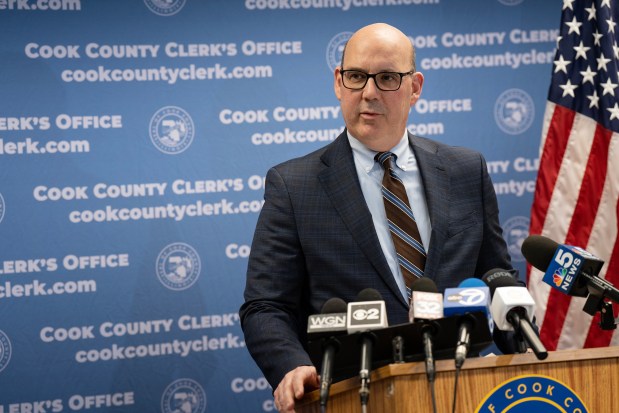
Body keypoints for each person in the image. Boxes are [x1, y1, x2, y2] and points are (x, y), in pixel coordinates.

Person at [239, 22, 513, 412]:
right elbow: (266, 306)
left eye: (386, 78)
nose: (368, 93)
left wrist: (524, 352)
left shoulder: (466, 170)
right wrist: (292, 364)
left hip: (465, 392)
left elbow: (496, 279)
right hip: (357, 395)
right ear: (338, 82)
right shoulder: (293, 185)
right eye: (356, 77)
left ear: (415, 88)